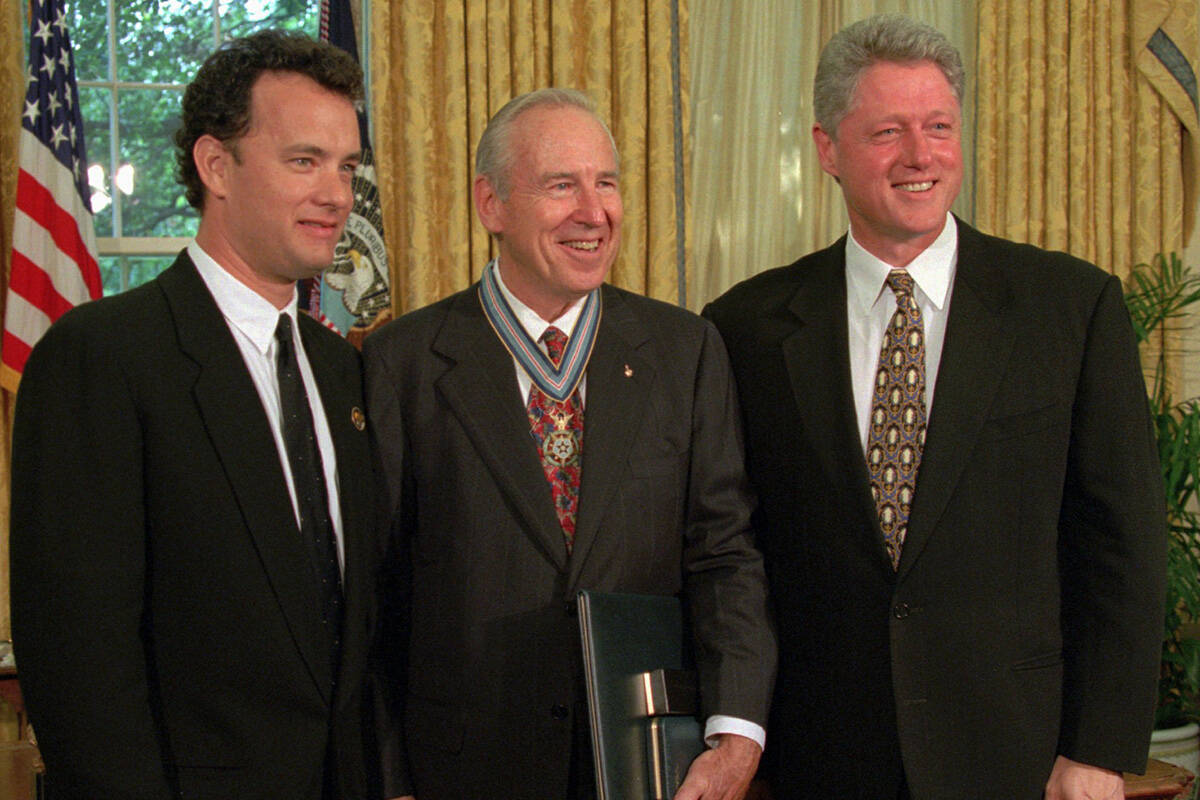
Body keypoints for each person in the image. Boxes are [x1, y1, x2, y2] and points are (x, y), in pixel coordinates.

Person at [703, 14, 1166, 800]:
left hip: (1024, 757)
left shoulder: (1071, 307)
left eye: (939, 127)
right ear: (827, 149)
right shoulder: (744, 328)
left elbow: (1121, 543)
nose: (920, 156)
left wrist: (1098, 748)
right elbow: (728, 551)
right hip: (823, 760)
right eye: (887, 131)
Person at [364, 88, 776, 800]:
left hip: (648, 763)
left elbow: (725, 553)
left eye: (607, 182)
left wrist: (737, 732)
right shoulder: (402, 362)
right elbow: (377, 593)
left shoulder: (686, 350)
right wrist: (392, 778)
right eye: (562, 186)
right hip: (462, 772)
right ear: (491, 204)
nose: (594, 212)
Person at [11, 30, 378, 799]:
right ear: (217, 166)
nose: (338, 195)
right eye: (304, 161)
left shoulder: (343, 371)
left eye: (346, 167)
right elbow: (80, 665)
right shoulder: (103, 358)